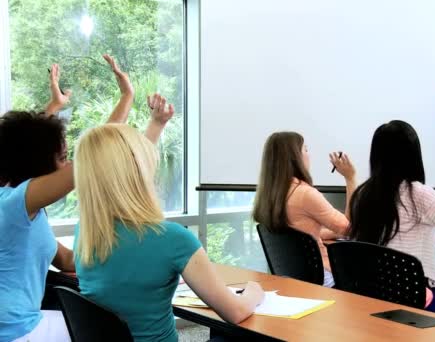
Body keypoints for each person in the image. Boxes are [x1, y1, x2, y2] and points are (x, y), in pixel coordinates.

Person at [73, 94, 265, 342]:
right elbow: (236, 312)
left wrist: (156, 125)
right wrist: (253, 291)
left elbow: (130, 168)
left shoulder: (86, 233)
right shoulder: (171, 239)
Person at [0, 54, 133, 342]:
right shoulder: (15, 205)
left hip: (21, 323)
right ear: (38, 165)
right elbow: (92, 156)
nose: (66, 165)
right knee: (115, 329)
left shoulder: (20, 206)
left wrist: (128, 259)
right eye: (62, 158)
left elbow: (68, 261)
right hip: (16, 333)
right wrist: (126, 98)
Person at [347, 120, 435, 322]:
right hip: (413, 298)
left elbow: (385, 240)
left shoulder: (363, 194)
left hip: (374, 295)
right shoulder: (418, 195)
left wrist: (430, 247)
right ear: (413, 155)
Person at [252, 132, 356, 287]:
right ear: (295, 158)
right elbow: (349, 228)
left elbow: (299, 233)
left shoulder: (269, 195)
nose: (309, 155)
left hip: (292, 277)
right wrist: (350, 178)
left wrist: (332, 232)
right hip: (323, 278)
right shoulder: (305, 194)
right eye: (305, 150)